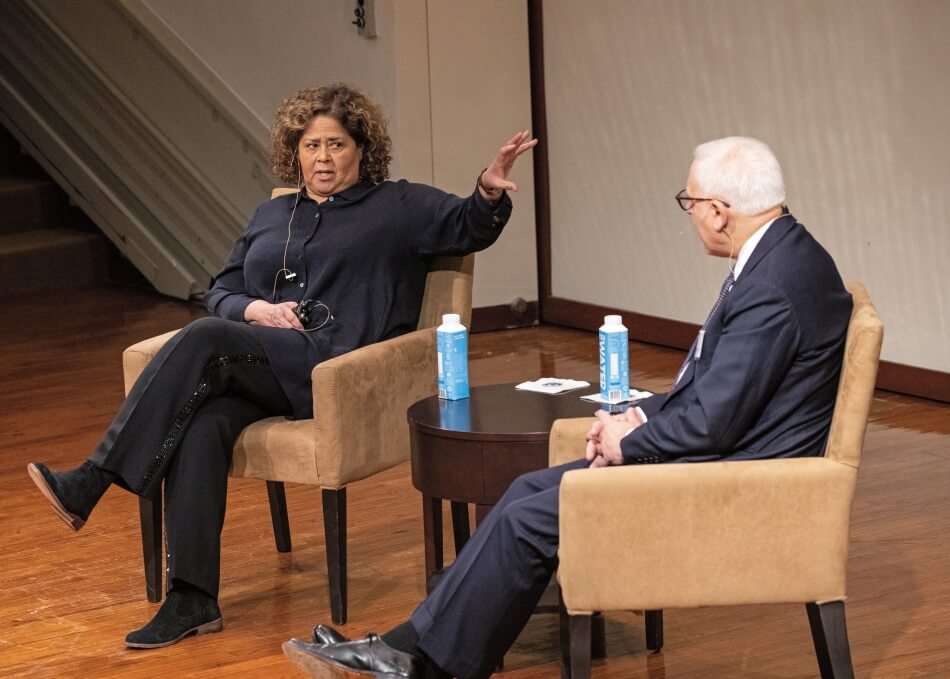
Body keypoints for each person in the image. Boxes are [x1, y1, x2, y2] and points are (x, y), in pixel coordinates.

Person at [282, 136, 854, 679]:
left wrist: (630, 442)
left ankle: (418, 662)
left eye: (690, 202)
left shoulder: (773, 285)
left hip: (737, 484)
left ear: (719, 210)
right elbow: (716, 395)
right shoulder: (781, 255)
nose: (690, 214)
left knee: (530, 517)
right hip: (729, 455)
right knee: (527, 490)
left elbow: (713, 420)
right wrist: (638, 417)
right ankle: (407, 652)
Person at [26, 82, 537, 650]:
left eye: (337, 145)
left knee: (206, 340)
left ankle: (94, 479)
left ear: (362, 150)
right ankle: (192, 599)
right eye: (312, 145)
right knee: (204, 420)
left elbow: (468, 225)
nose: (323, 157)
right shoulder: (272, 214)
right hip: (264, 360)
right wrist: (255, 308)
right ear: (295, 151)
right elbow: (221, 290)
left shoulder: (398, 206)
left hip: (338, 371)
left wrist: (488, 192)